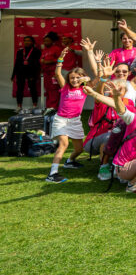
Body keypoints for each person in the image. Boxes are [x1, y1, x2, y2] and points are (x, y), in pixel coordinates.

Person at [45, 48, 90, 183]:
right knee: (63, 144)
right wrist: (60, 59)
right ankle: (52, 174)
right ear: (68, 79)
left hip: (75, 120)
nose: (75, 80)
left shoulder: (85, 88)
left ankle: (69, 161)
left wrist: (88, 79)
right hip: (61, 119)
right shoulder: (65, 87)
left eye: (77, 77)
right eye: (72, 78)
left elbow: (98, 80)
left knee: (79, 149)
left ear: (82, 78)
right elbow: (57, 73)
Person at [11, 35, 41, 111]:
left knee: (32, 88)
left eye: (29, 40)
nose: (27, 42)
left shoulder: (36, 51)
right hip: (20, 72)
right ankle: (19, 106)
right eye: (25, 41)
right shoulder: (20, 51)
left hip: (31, 73)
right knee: (19, 89)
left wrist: (35, 74)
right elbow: (17, 64)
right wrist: (13, 75)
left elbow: (38, 64)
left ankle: (34, 105)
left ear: (32, 42)